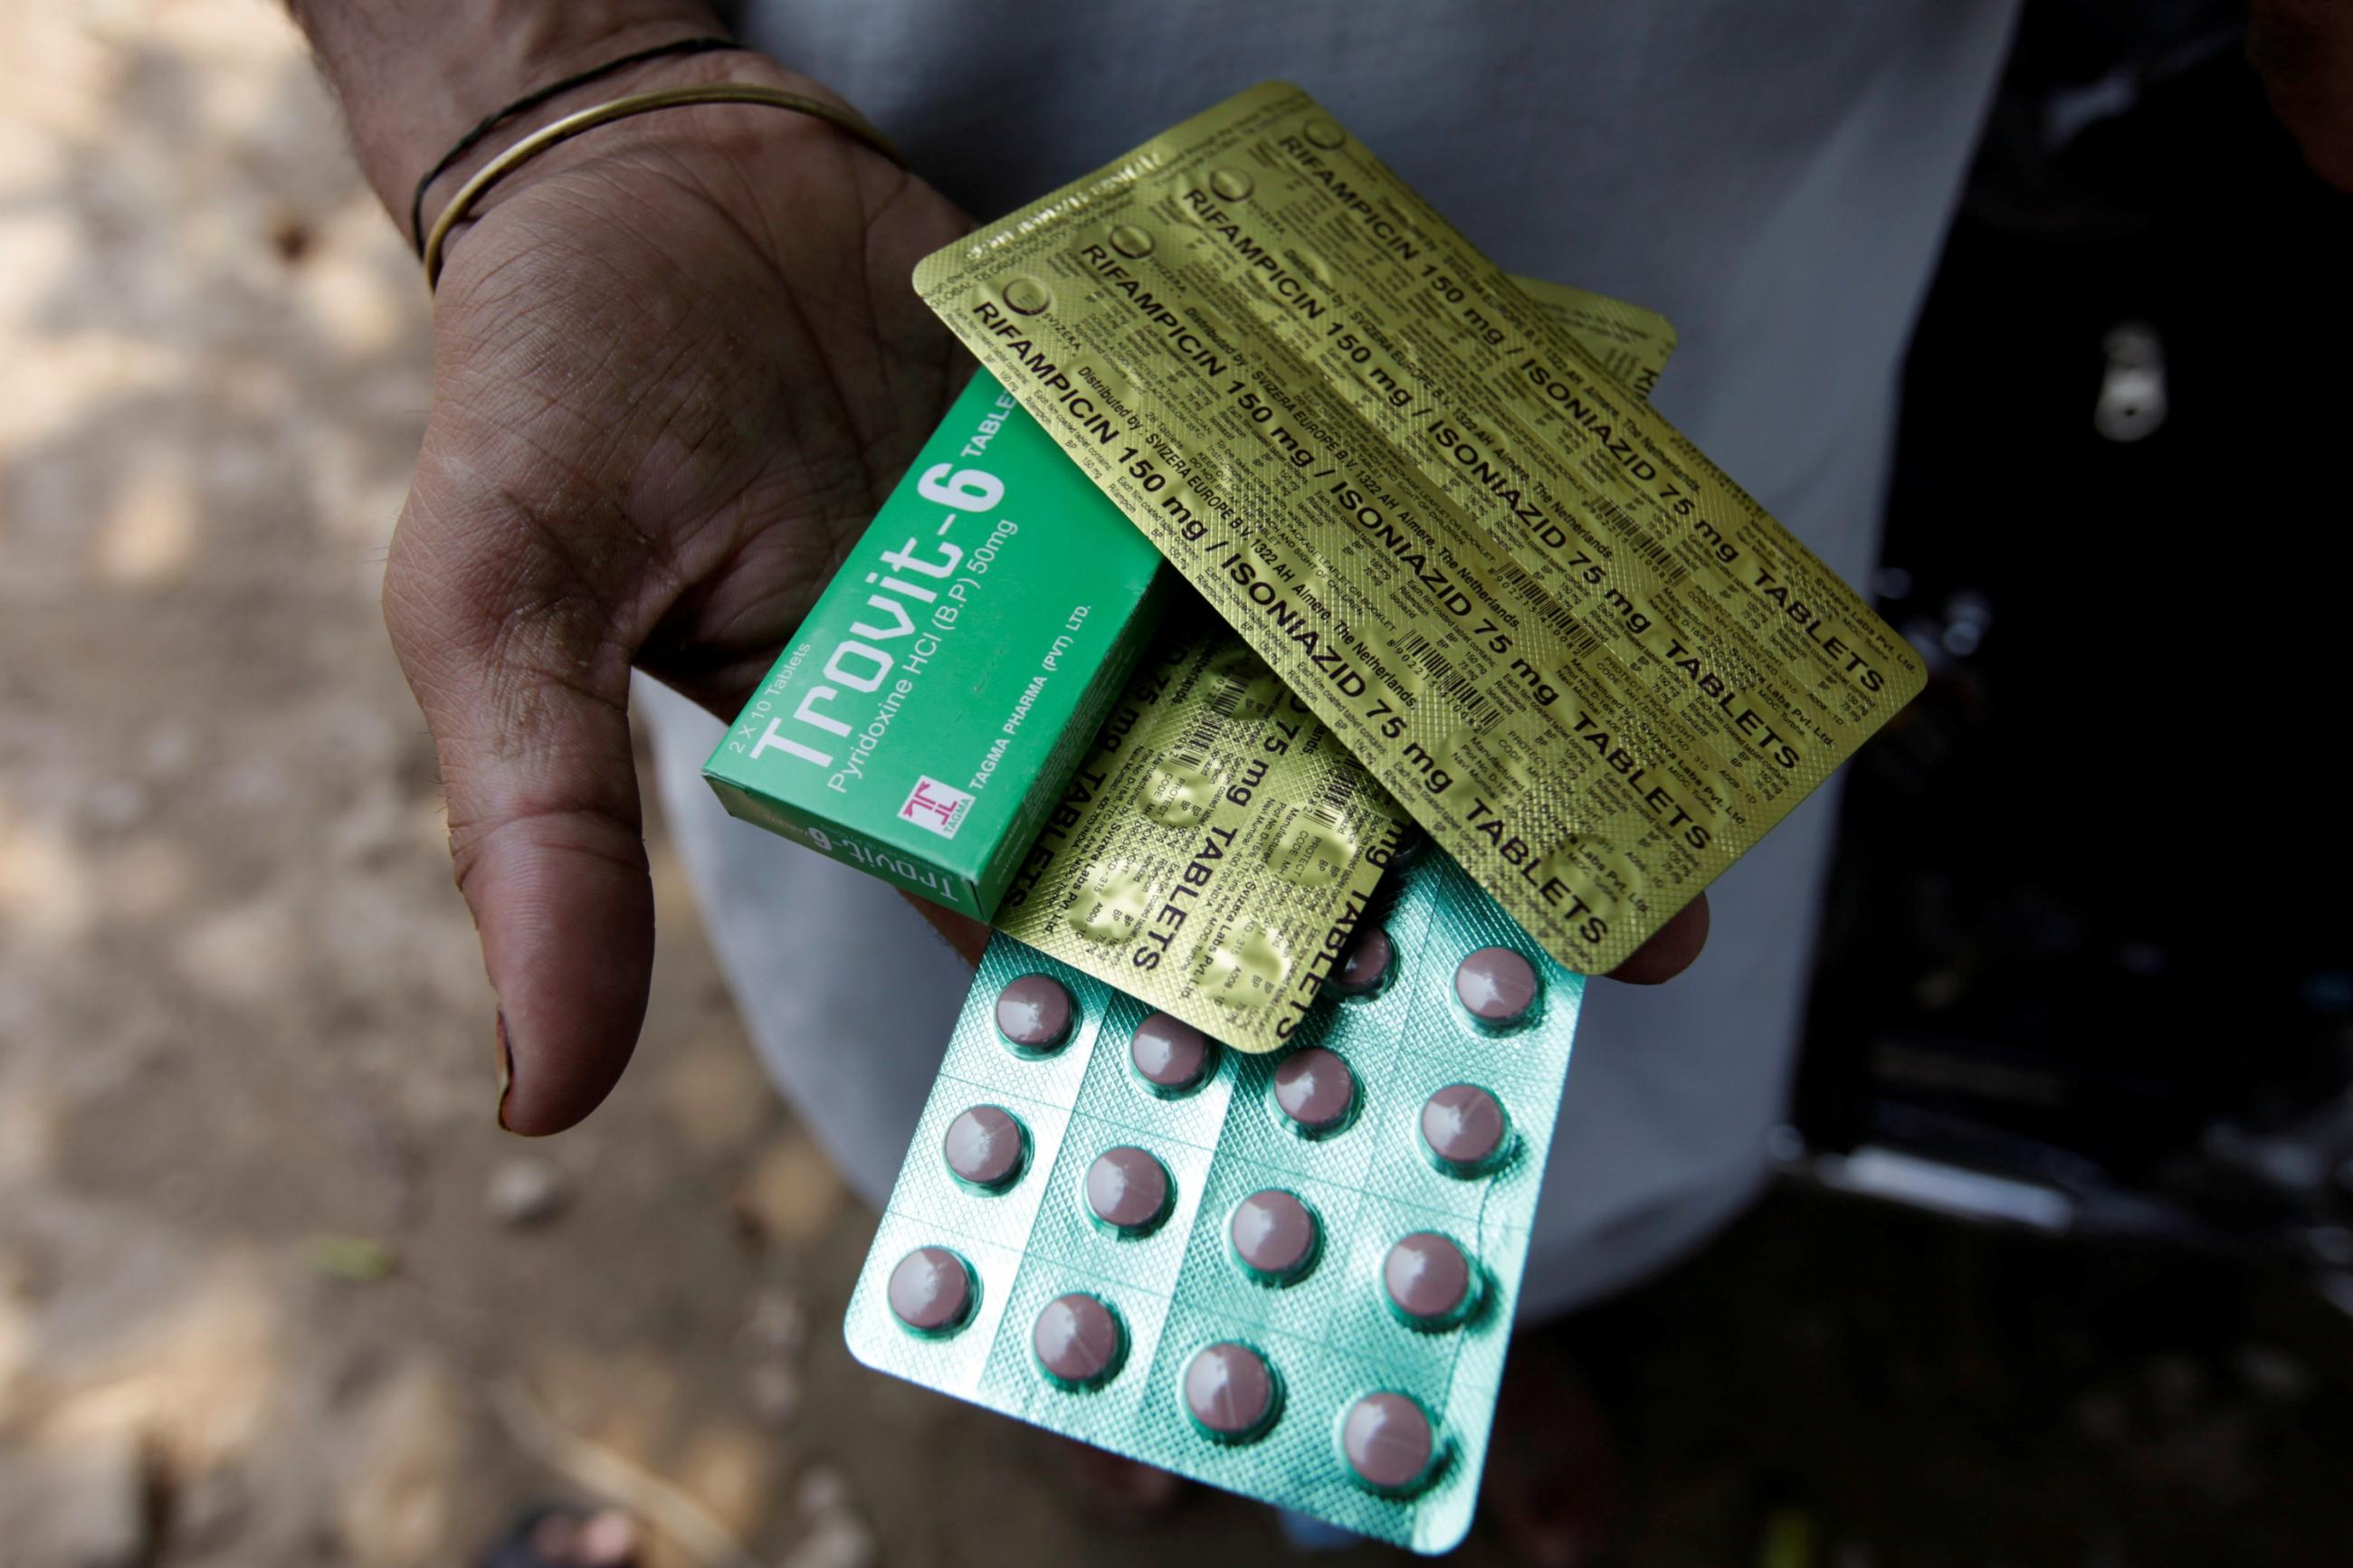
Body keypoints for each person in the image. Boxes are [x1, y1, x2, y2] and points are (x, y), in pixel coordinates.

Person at [285, 2, 2349, 1558]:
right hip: (858, 236)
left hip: (1745, 152)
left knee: (1604, 887)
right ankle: (1108, 1321)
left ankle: (1455, 1328)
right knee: (957, 929)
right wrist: (537, 75)